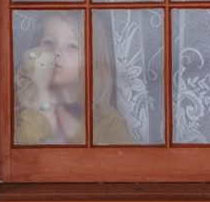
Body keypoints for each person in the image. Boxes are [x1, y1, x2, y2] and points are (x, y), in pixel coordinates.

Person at [15, 11, 132, 145]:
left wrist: (76, 134)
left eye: (72, 46)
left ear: (92, 60)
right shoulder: (20, 106)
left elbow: (121, 161)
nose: (56, 51)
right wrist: (36, 120)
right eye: (48, 42)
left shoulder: (107, 120)